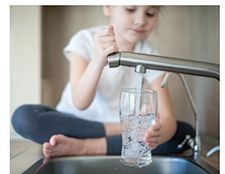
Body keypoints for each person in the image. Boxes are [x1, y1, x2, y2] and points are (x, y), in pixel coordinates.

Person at [12, 6, 195, 158]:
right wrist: (99, 58)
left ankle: (82, 147)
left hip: (123, 131)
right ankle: (103, 142)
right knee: (23, 117)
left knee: (184, 134)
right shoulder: (84, 39)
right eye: (130, 9)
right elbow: (80, 102)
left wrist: (154, 135)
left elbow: (167, 118)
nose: (140, 20)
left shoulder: (151, 55)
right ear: (108, 7)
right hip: (73, 123)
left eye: (150, 13)